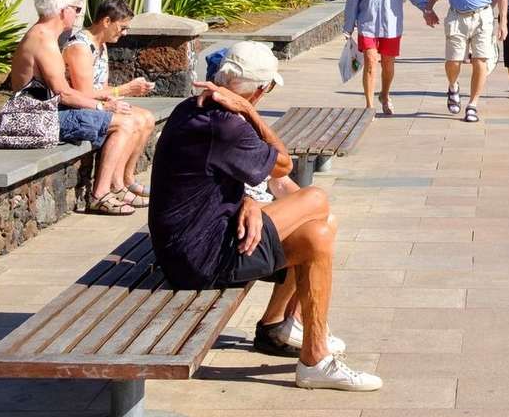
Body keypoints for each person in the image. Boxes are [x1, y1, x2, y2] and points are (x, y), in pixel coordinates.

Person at [149, 41, 381, 391]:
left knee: (317, 235)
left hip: (188, 245)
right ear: (258, 91)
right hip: (202, 255)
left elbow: (208, 177)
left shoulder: (191, 109)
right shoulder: (226, 124)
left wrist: (249, 202)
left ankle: (309, 352)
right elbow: (283, 164)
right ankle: (294, 334)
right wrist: (252, 115)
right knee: (316, 200)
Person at [1, 0, 142, 214]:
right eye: (76, 9)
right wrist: (101, 105)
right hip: (38, 118)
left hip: (45, 112)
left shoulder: (43, 36)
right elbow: (63, 93)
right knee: (124, 122)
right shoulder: (43, 41)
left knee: (128, 118)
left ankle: (115, 187)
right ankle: (100, 194)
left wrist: (103, 105)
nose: (78, 15)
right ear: (62, 10)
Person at [59, 0, 157, 209]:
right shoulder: (80, 48)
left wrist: (118, 94)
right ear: (106, 21)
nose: (124, 33)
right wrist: (124, 90)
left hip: (94, 104)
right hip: (75, 108)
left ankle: (125, 181)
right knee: (127, 123)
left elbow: (101, 87)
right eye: (122, 27)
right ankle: (104, 191)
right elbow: (83, 93)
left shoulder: (101, 46)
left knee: (146, 118)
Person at [425, 0, 507, 124]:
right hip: (457, 16)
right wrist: (429, 7)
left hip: (482, 17)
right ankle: (453, 87)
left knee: (481, 60)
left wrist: (502, 21)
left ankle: (472, 104)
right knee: (453, 61)